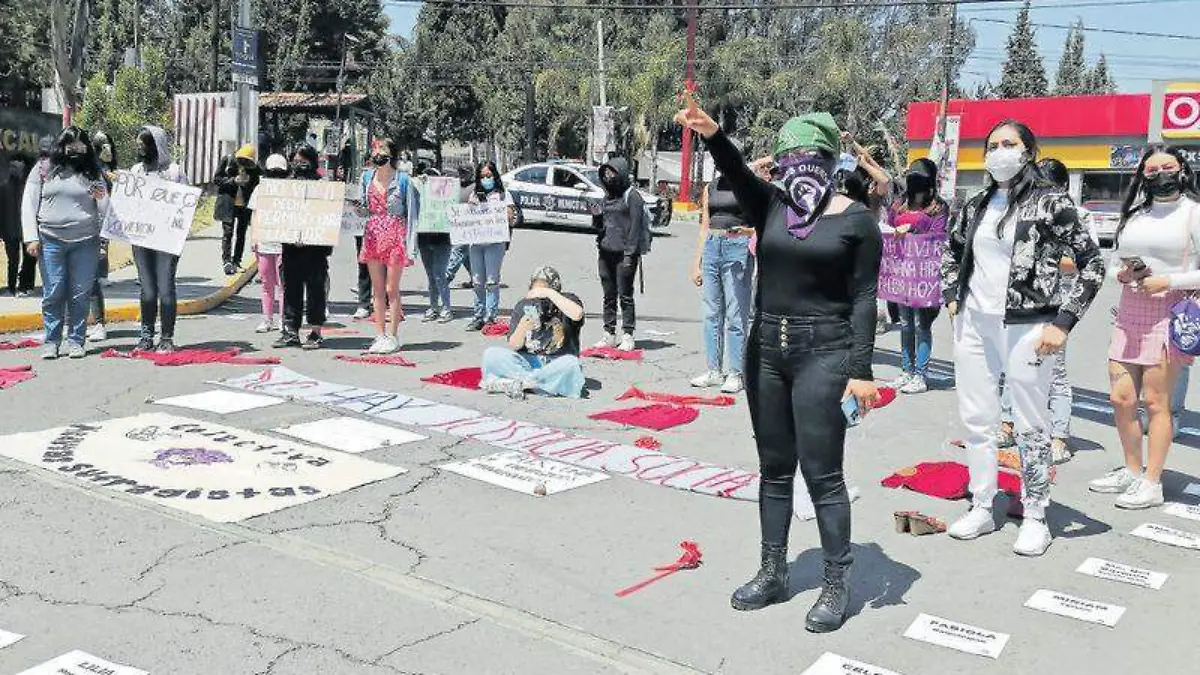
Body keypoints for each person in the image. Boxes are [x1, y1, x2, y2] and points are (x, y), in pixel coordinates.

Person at [675, 96, 881, 632]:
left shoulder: (856, 220)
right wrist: (712, 133)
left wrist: (861, 370)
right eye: (790, 157)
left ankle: (836, 582)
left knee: (823, 473)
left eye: (812, 155)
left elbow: (863, 298)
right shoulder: (770, 205)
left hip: (826, 351)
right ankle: (774, 571)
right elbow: (734, 169)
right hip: (767, 348)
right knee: (773, 470)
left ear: (833, 160)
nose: (800, 167)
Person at [941, 119, 1103, 556]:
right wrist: (952, 298)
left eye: (1008, 144)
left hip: (1029, 325)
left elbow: (1092, 265)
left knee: (1031, 423)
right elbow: (951, 252)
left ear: (1028, 151)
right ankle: (982, 502)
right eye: (992, 146)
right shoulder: (975, 204)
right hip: (975, 323)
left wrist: (1063, 322)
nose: (999, 152)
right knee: (977, 418)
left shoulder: (1051, 204)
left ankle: (1035, 514)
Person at [1091, 146, 1200, 508]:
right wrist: (1122, 274)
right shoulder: (1136, 214)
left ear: (1182, 169)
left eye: (1167, 167)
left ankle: (1152, 482)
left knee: (1157, 402)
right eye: (1150, 170)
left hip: (1170, 309)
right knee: (1121, 399)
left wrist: (1168, 280)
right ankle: (1132, 470)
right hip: (1130, 308)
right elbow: (1111, 264)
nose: (1159, 174)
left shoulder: (1193, 213)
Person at [997, 158, 1099, 462]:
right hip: (1021, 302)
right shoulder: (1021, 212)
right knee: (1013, 366)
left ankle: (1058, 437)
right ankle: (1006, 425)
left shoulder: (1078, 215)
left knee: (1055, 371)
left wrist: (1047, 260)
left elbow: (1086, 262)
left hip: (1059, 304)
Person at [21, 126, 107, 360]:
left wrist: (101, 198)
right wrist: (31, 237)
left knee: (80, 293)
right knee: (54, 291)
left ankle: (76, 340)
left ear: (87, 147)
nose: (75, 148)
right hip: (50, 241)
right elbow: (28, 204)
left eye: (80, 143)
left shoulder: (92, 172)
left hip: (86, 241)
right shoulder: (43, 169)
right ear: (61, 145)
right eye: (70, 143)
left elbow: (105, 209)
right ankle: (51, 341)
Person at [887, 158, 949, 395]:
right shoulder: (899, 205)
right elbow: (889, 228)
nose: (915, 181)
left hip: (923, 275)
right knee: (905, 324)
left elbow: (938, 236)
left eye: (920, 177)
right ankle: (907, 370)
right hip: (902, 274)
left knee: (921, 324)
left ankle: (921, 374)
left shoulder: (938, 208)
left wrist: (913, 231)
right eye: (912, 176)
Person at [689, 169, 754, 394]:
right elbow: (704, 226)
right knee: (711, 312)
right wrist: (696, 263)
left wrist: (747, 232)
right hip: (712, 246)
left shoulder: (747, 184)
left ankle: (736, 372)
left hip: (737, 246)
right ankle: (714, 370)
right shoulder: (711, 187)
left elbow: (762, 221)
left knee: (736, 313)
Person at [481, 266, 586, 400]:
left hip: (556, 362)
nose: (539, 295)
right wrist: (522, 327)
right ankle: (540, 384)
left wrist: (549, 294)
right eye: (536, 290)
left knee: (572, 364)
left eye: (544, 289)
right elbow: (514, 345)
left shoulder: (568, 300)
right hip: (528, 362)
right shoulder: (523, 305)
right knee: (491, 354)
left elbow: (577, 314)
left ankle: (519, 383)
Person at [129, 126, 189, 353]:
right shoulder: (136, 170)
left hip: (167, 241)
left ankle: (166, 337)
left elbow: (184, 206)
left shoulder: (174, 172)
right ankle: (146, 335)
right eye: (139, 145)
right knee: (147, 289)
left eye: (146, 144)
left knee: (165, 287)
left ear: (158, 145)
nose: (142, 149)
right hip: (142, 240)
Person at [275, 146, 332, 349]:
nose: (300, 164)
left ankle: (315, 332)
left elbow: (328, 217)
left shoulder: (323, 186)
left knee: (316, 290)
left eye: (304, 160)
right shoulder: (285, 186)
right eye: (296, 160)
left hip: (315, 250)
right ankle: (291, 331)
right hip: (291, 248)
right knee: (291, 290)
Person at [360, 138, 413, 354]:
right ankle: (379, 334)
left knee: (392, 288)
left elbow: (411, 211)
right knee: (378, 289)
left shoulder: (402, 179)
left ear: (391, 153)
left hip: (394, 232)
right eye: (375, 149)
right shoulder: (366, 177)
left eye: (382, 148)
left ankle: (393, 335)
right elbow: (364, 207)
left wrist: (411, 241)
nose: (377, 152)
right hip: (373, 233)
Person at [592, 157, 648, 352]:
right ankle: (609, 334)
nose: (609, 177)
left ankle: (628, 334)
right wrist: (596, 216)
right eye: (606, 173)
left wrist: (629, 256)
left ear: (621, 173)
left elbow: (635, 229)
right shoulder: (607, 196)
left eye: (613, 172)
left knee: (625, 295)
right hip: (605, 253)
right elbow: (600, 227)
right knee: (608, 295)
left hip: (625, 255)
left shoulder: (632, 197)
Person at [465, 161, 515, 331]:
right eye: (482, 176)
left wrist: (508, 214)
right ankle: (478, 315)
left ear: (495, 176)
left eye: (489, 176)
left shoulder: (503, 195)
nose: (486, 179)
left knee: (492, 281)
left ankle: (490, 316)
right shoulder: (474, 195)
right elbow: (466, 216)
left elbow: (511, 216)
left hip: (495, 243)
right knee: (477, 281)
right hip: (476, 243)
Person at [85, 131, 119, 343]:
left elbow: (103, 204)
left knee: (91, 279)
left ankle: (98, 322)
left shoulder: (97, 174)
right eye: (102, 145)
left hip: (94, 230)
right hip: (72, 232)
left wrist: (103, 236)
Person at [253, 154, 287, 334]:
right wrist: (254, 238)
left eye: (279, 172)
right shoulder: (260, 189)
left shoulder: (290, 190)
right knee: (266, 282)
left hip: (283, 243)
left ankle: (283, 319)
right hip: (265, 242)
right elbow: (255, 214)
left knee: (283, 283)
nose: (276, 174)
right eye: (272, 171)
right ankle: (267, 318)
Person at [215, 143, 260, 275]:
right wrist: (234, 180)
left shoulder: (254, 167)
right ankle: (227, 261)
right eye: (243, 160)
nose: (245, 163)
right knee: (228, 233)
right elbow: (216, 179)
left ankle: (237, 261)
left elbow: (259, 181)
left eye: (248, 161)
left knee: (241, 234)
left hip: (245, 205)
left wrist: (249, 182)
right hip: (229, 202)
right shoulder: (227, 160)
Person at [416, 168, 454, 324]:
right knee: (431, 276)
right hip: (424, 238)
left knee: (439, 274)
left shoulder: (447, 194)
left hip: (442, 239)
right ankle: (433, 306)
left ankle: (446, 307)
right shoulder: (418, 196)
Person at [445, 165, 474, 289]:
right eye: (460, 172)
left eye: (465, 173)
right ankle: (476, 277)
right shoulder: (454, 185)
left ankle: (446, 277)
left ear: (471, 174)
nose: (462, 175)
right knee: (465, 254)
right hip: (455, 224)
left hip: (469, 226)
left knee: (458, 251)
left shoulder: (476, 187)